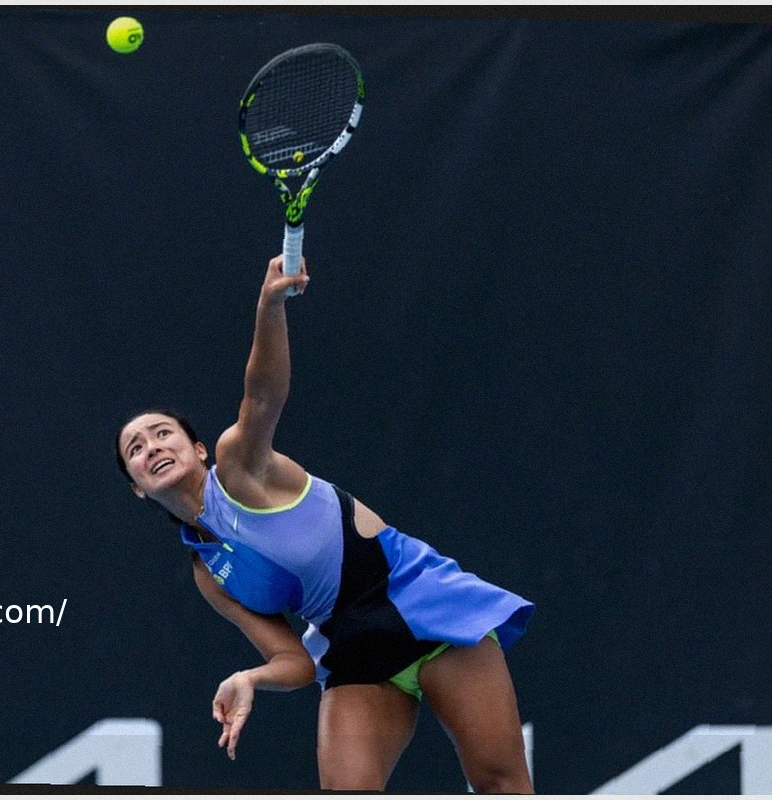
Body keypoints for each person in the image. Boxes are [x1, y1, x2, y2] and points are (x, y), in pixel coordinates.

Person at [115, 256, 535, 792]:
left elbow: (263, 396)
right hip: (351, 648)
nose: (152, 447)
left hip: (417, 600)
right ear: (135, 484)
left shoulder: (239, 468)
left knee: (502, 782)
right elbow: (293, 660)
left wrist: (270, 306)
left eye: (162, 434)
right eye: (137, 448)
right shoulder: (207, 570)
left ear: (197, 449)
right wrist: (250, 678)